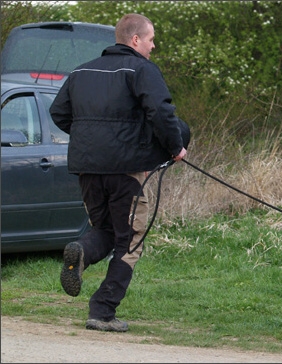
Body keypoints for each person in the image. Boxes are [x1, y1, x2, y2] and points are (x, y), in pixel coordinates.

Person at [50, 13, 189, 332]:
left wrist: (93, 141)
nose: (154, 46)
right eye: (151, 39)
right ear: (135, 39)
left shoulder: (81, 71)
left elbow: (58, 112)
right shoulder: (141, 69)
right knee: (131, 239)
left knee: (106, 230)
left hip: (88, 168)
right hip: (125, 172)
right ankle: (102, 309)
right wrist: (176, 147)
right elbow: (161, 112)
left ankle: (81, 251)